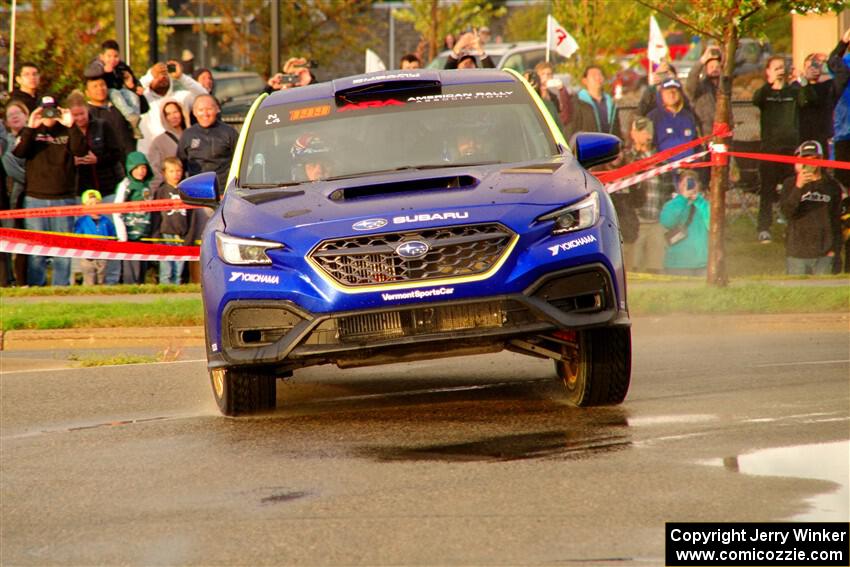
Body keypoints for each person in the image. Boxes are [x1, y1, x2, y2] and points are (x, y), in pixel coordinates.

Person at [13, 95, 88, 286]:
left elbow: (81, 151)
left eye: (52, 110)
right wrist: (31, 126)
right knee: (37, 251)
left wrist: (71, 126)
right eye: (45, 110)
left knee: (62, 251)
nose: (49, 115)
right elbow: (20, 152)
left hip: (63, 198)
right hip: (35, 198)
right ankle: (36, 288)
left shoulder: (68, 130)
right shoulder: (31, 131)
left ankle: (60, 288)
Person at [752, 55, 812, 243]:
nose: (780, 70)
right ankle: (764, 228)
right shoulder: (765, 93)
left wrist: (800, 80)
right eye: (776, 68)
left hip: (790, 149)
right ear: (768, 71)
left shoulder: (793, 91)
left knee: (791, 187)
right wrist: (772, 83)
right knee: (767, 190)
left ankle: (790, 225)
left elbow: (807, 100)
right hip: (770, 149)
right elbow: (756, 99)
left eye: (782, 67)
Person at [779, 140, 842, 276]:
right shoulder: (790, 184)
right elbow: (786, 213)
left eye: (814, 158)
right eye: (806, 158)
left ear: (821, 160)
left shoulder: (832, 186)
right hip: (797, 252)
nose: (810, 162)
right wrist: (799, 187)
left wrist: (834, 251)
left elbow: (837, 221)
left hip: (824, 252)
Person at [795, 28, 850, 152]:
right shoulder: (796, 87)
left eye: (819, 64)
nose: (815, 68)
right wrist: (805, 81)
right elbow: (800, 99)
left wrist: (843, 43)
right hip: (801, 141)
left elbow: (843, 74)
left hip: (824, 140)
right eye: (811, 65)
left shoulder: (829, 88)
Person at [610, 117, 653, 271]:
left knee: (632, 271)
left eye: (620, 151)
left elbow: (639, 201)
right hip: (609, 236)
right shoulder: (597, 174)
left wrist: (636, 183)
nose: (618, 156)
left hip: (629, 232)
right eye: (613, 152)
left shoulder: (630, 171)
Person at [138, 61, 207, 154]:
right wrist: (150, 76)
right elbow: (131, 90)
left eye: (165, 75)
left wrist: (181, 77)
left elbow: (204, 96)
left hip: (176, 155)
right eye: (157, 75)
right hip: (149, 153)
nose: (162, 77)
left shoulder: (180, 97)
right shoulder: (143, 98)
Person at [84, 39, 146, 139]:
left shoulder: (121, 66)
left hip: (120, 91)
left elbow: (132, 77)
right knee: (115, 93)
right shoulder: (97, 64)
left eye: (116, 56)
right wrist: (102, 70)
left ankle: (135, 122)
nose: (112, 59)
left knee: (131, 96)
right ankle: (130, 116)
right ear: (102, 56)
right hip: (110, 91)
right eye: (109, 56)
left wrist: (135, 87)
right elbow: (88, 73)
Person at [68, 92, 124, 199]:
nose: (80, 118)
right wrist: (72, 161)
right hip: (79, 189)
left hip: (106, 186)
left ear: (87, 109)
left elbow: (116, 153)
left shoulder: (102, 125)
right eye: (75, 115)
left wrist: (98, 159)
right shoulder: (67, 130)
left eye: (82, 114)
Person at [178, 95, 238, 189]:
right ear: (194, 112)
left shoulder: (229, 132)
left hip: (224, 189)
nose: (205, 114)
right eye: (201, 110)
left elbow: (240, 160)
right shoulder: (187, 135)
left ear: (217, 109)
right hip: (196, 189)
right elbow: (181, 163)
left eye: (209, 109)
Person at [113, 151, 154, 284]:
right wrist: (122, 235)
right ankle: (130, 288)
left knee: (142, 267)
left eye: (143, 167)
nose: (141, 171)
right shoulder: (125, 185)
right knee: (131, 267)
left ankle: (140, 287)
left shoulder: (148, 186)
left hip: (144, 233)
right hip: (130, 234)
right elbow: (116, 210)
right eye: (136, 167)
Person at [659, 170, 710, 277]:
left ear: (698, 185)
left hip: (702, 263)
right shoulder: (672, 204)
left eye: (692, 184)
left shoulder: (704, 204)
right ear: (679, 186)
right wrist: (682, 199)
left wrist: (699, 201)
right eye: (685, 184)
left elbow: (712, 224)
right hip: (678, 264)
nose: (689, 187)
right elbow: (668, 222)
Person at [1, 101, 29, 286]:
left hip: (31, 197)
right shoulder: (4, 143)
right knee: (7, 240)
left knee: (27, 241)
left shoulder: (35, 137)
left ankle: (24, 280)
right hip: (9, 197)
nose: (15, 116)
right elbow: (8, 167)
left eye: (19, 112)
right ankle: (8, 278)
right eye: (11, 114)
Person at [151, 157, 188, 285]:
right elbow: (155, 215)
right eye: (171, 171)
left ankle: (177, 289)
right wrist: (156, 234)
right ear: (164, 173)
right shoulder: (161, 191)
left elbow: (192, 214)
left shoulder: (187, 191)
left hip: (182, 234)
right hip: (165, 233)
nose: (175, 174)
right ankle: (164, 288)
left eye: (178, 171)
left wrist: (190, 234)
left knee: (179, 268)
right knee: (166, 266)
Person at [565, 66, 622, 141]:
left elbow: (616, 129)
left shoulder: (610, 103)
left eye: (600, 75)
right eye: (593, 75)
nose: (597, 78)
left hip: (609, 148)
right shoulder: (577, 103)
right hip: (588, 148)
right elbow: (572, 130)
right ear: (584, 81)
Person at [85, 75, 134, 161]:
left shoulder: (119, 106)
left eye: (102, 85)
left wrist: (133, 88)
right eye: (95, 86)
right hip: (107, 163)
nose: (100, 89)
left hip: (129, 157)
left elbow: (143, 109)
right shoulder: (88, 114)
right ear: (87, 93)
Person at [685, 45, 730, 138]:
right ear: (705, 68)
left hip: (723, 137)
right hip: (705, 138)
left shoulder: (725, 87)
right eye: (711, 66)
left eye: (717, 66)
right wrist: (702, 61)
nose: (715, 69)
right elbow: (691, 80)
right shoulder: (699, 87)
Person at [73, 189, 116, 285]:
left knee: (102, 277)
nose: (94, 206)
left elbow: (112, 235)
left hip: (102, 255)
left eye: (97, 203)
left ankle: (101, 295)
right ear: (84, 206)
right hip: (87, 256)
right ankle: (88, 295)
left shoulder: (106, 221)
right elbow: (77, 236)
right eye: (90, 203)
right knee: (89, 278)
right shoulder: (82, 221)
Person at [147, 99, 187, 194]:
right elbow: (155, 172)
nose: (173, 116)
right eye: (168, 114)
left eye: (175, 112)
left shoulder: (192, 135)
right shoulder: (158, 142)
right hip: (170, 191)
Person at [533, 61, 570, 131]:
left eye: (549, 74)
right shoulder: (533, 95)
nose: (546, 77)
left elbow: (565, 116)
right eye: (542, 74)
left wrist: (562, 90)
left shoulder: (554, 97)